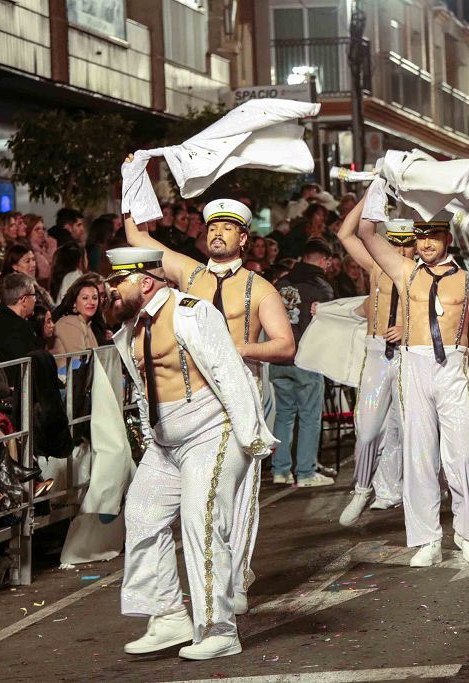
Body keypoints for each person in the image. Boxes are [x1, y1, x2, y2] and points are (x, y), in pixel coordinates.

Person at [122, 158, 295, 617]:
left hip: (242, 396)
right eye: (212, 226)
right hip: (190, 403)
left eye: (227, 227)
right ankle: (218, 584)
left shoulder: (261, 289)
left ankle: (235, 575)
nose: (217, 233)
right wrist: (131, 179)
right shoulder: (189, 273)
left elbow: (285, 346)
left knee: (238, 496)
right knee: (207, 503)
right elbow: (137, 239)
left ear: (244, 238)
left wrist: (235, 348)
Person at [107, 247, 274, 661]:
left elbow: (228, 372)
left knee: (201, 522)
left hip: (211, 431)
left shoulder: (191, 312)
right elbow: (146, 389)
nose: (110, 288)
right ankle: (167, 617)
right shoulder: (130, 326)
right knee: (142, 515)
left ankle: (219, 630)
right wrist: (152, 439)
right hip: (165, 445)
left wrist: (251, 435)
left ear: (145, 282)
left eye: (119, 280)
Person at [357, 207, 469, 568]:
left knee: (464, 454)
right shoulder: (405, 272)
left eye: (433, 236)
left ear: (447, 239)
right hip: (414, 366)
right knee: (419, 455)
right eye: (420, 237)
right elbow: (366, 234)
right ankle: (427, 539)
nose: (425, 244)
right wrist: (377, 191)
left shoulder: (468, 282)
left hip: (452, 367)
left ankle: (466, 532)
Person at [335, 203, 414, 525]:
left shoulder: (424, 272)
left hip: (412, 354)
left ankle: (398, 491)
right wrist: (370, 194)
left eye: (405, 242)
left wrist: (409, 327)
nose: (399, 248)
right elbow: (344, 234)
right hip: (378, 354)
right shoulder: (375, 266)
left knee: (407, 429)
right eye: (393, 241)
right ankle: (363, 487)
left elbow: (445, 315)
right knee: (367, 430)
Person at [271, 239, 336, 488]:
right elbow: (328, 327)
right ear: (322, 260)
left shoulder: (280, 284)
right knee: (309, 417)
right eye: (328, 261)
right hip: (307, 358)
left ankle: (281, 470)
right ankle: (307, 472)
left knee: (284, 415)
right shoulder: (321, 287)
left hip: (279, 357)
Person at [0, 273, 40, 387]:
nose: (35, 299)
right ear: (24, 300)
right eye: (34, 295)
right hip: (17, 394)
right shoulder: (20, 328)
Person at [50, 274, 102, 359]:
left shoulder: (87, 324)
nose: (91, 302)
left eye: (95, 298)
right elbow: (80, 360)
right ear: (74, 303)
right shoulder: (69, 323)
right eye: (85, 298)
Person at [24, 214, 57, 285]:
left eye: (43, 229)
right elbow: (48, 273)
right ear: (28, 232)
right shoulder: (32, 252)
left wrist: (51, 245)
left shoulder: (45, 248)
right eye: (37, 229)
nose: (41, 232)